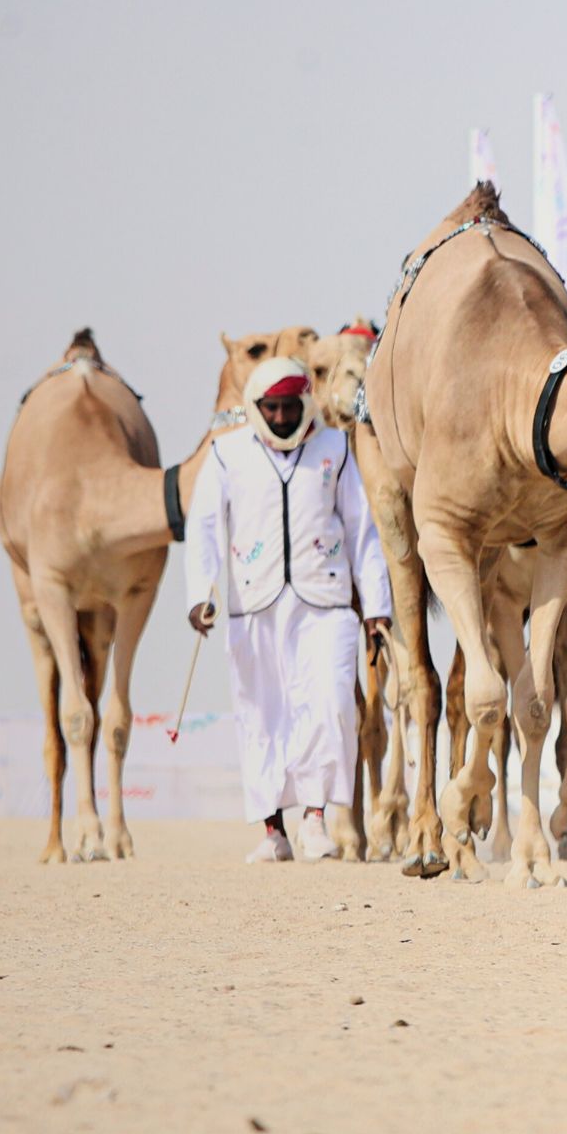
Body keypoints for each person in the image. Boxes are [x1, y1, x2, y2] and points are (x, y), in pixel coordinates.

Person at [183, 356, 391, 862]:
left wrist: (377, 606)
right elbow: (204, 525)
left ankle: (316, 818)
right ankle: (273, 829)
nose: (280, 417)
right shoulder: (228, 455)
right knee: (263, 715)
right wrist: (199, 593)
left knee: (331, 703)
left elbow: (363, 530)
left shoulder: (334, 449)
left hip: (327, 604)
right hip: (253, 608)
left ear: (305, 404)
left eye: (288, 407)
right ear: (257, 407)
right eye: (270, 408)